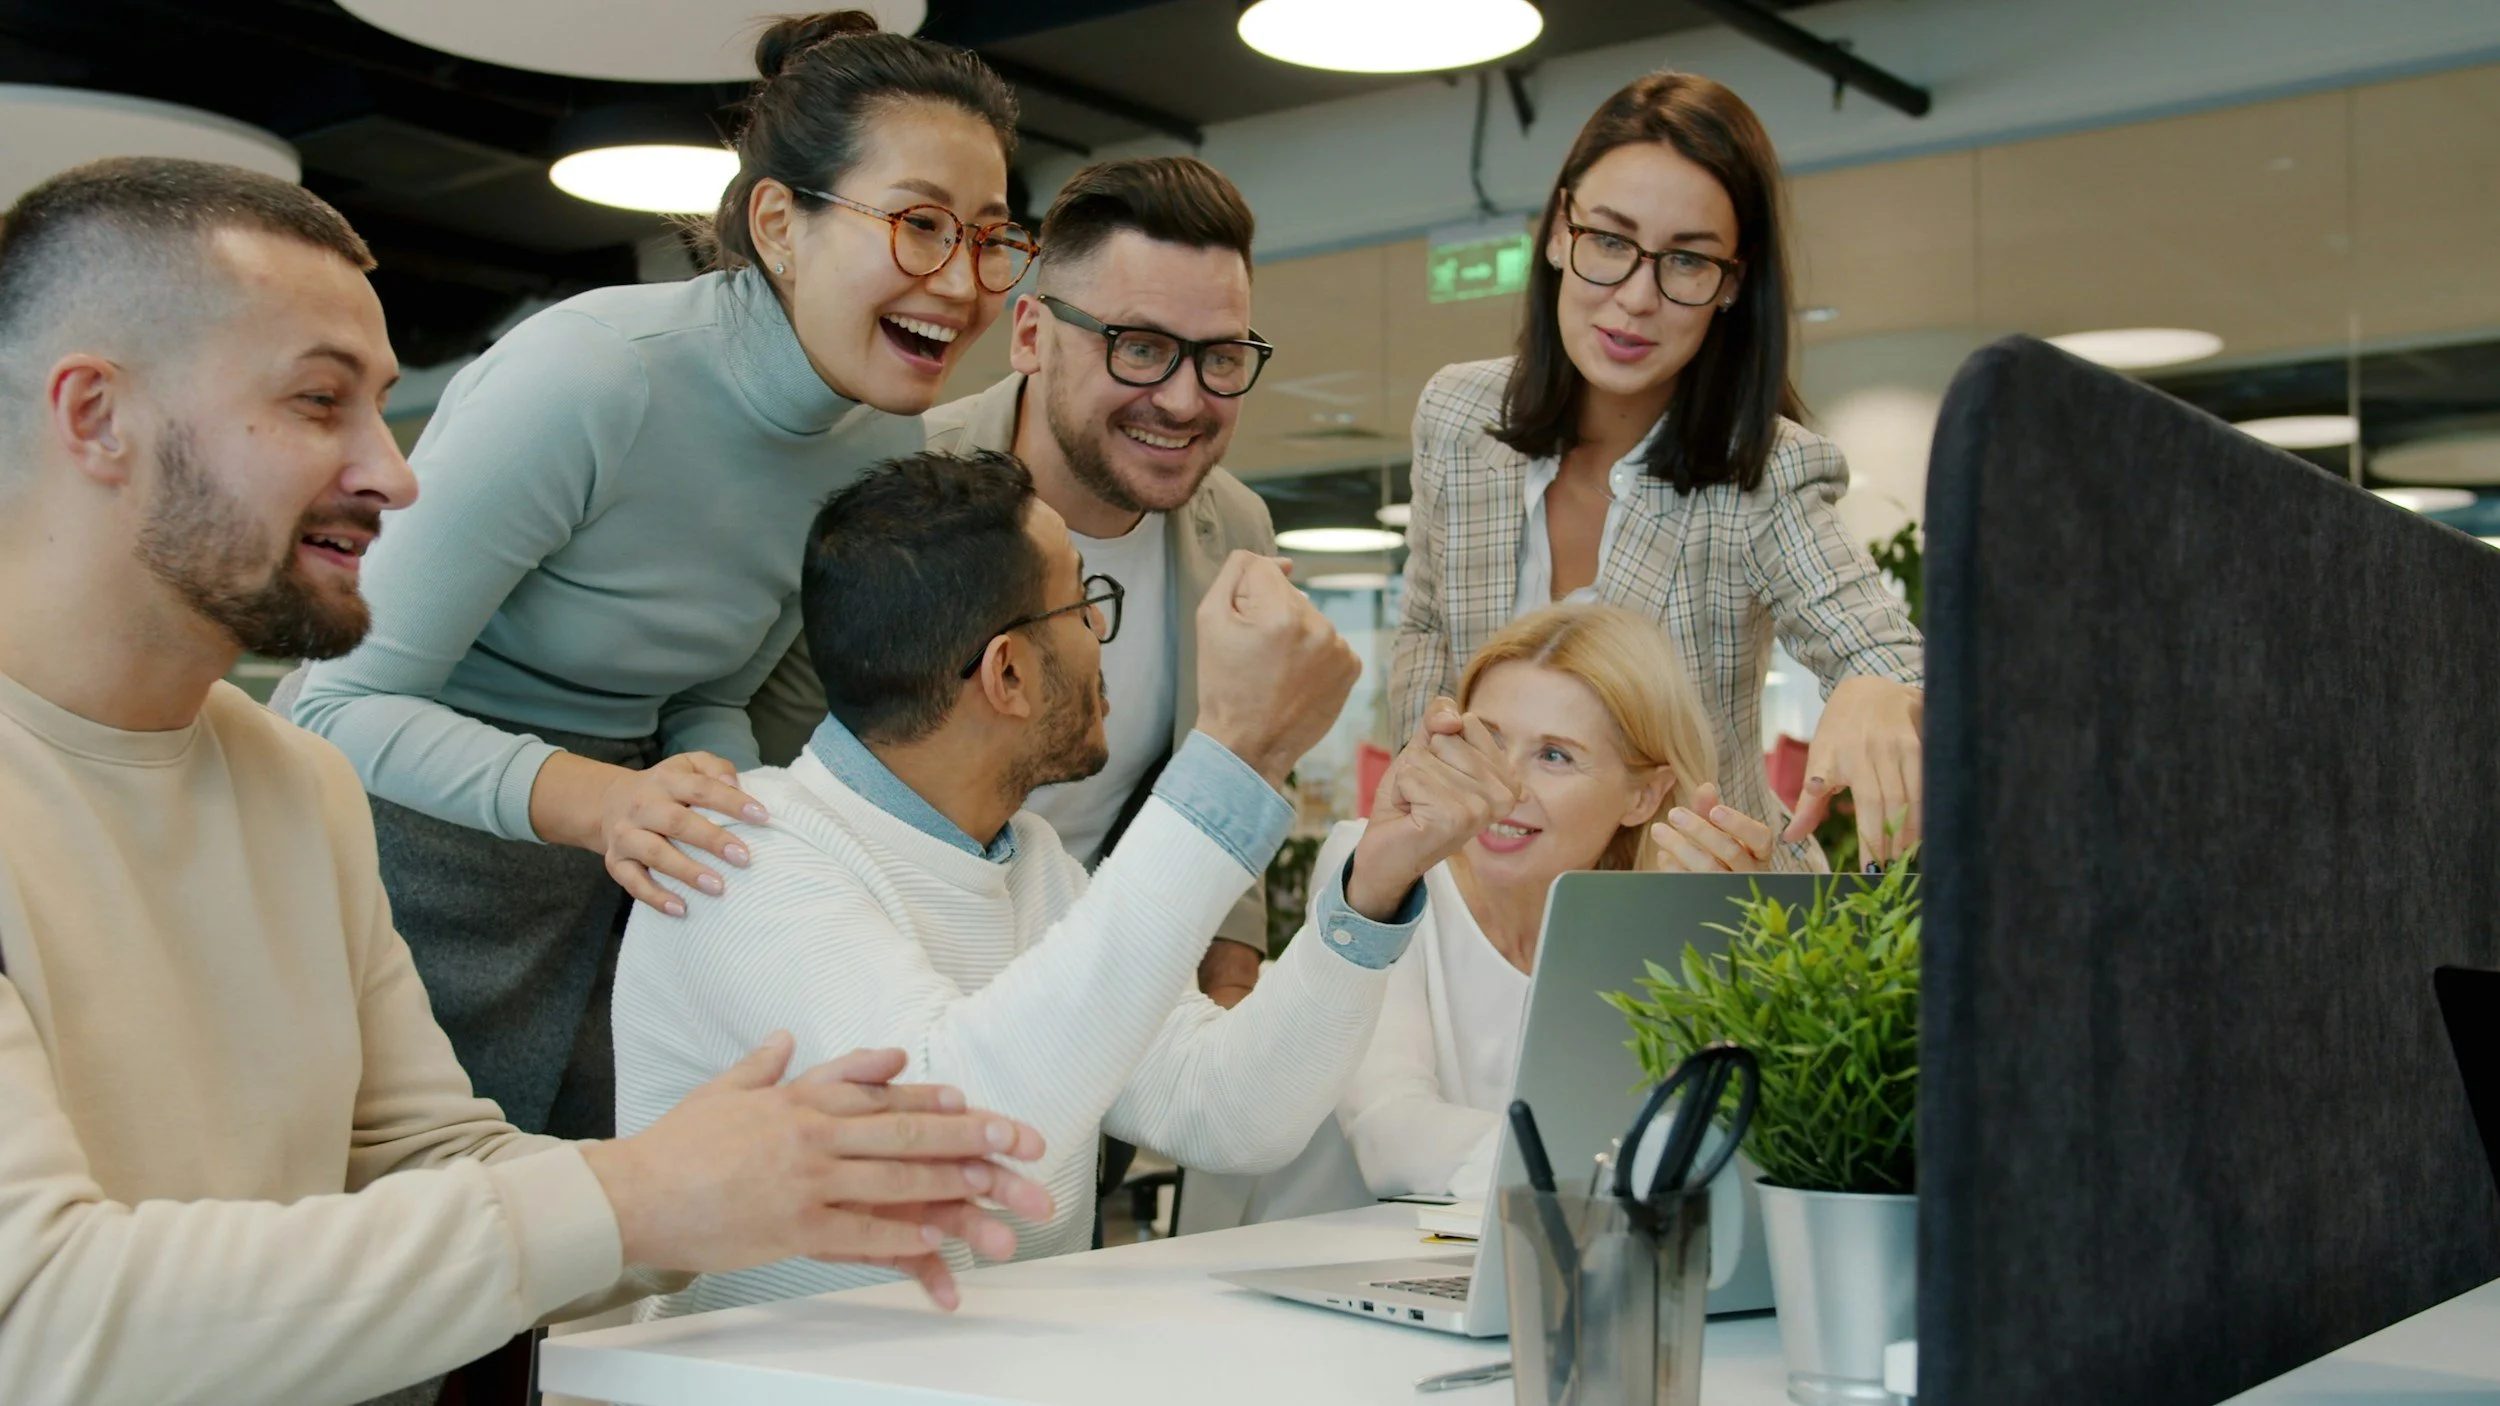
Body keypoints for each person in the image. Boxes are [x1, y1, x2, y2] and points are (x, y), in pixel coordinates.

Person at [0, 157, 1053, 1406]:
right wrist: (641, 1195)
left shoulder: (294, 777)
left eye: (380, 410)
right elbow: (39, 1313)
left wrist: (754, 1187)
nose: (393, 474)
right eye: (317, 401)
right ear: (94, 416)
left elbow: (428, 1158)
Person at [288, 12, 1031, 1138]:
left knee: (589, 1273)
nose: (963, 279)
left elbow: (712, 694)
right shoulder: (596, 375)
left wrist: (744, 816)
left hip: (620, 877)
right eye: (920, 224)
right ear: (781, 222)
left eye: (989, 237)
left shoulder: (881, 444)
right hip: (405, 874)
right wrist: (607, 799)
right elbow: (333, 703)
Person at [614, 449, 1521, 1314]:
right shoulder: (743, 856)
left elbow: (1231, 1111)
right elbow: (957, 1119)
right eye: (1085, 605)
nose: (1101, 637)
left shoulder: (1031, 860)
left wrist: (1370, 888)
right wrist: (1233, 757)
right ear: (1007, 672)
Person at [749, 154, 1280, 1006]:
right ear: (1030, 333)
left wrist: (1229, 963)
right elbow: (773, 754)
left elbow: (1222, 758)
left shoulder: (1237, 530)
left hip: (1101, 1002)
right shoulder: (892, 484)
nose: (1184, 400)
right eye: (1140, 348)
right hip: (863, 990)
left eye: (1220, 358)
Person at [1390, 70, 1925, 871]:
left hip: (1699, 929)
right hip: (1485, 902)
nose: (1637, 297)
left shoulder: (1762, 474)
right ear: (1558, 233)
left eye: (1687, 261)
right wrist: (1431, 780)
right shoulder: (1459, 417)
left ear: (1732, 284)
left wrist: (1880, 689)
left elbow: (1889, 660)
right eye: (1609, 241)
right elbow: (1430, 626)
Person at [1338, 603, 1792, 1200]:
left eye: (1554, 755)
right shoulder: (1375, 861)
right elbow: (1390, 1136)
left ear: (1645, 795)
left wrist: (1748, 951)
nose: (1503, 786)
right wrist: (1624, 1171)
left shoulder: (1647, 925)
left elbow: (1759, 1136)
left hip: (1537, 1273)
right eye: (1488, 740)